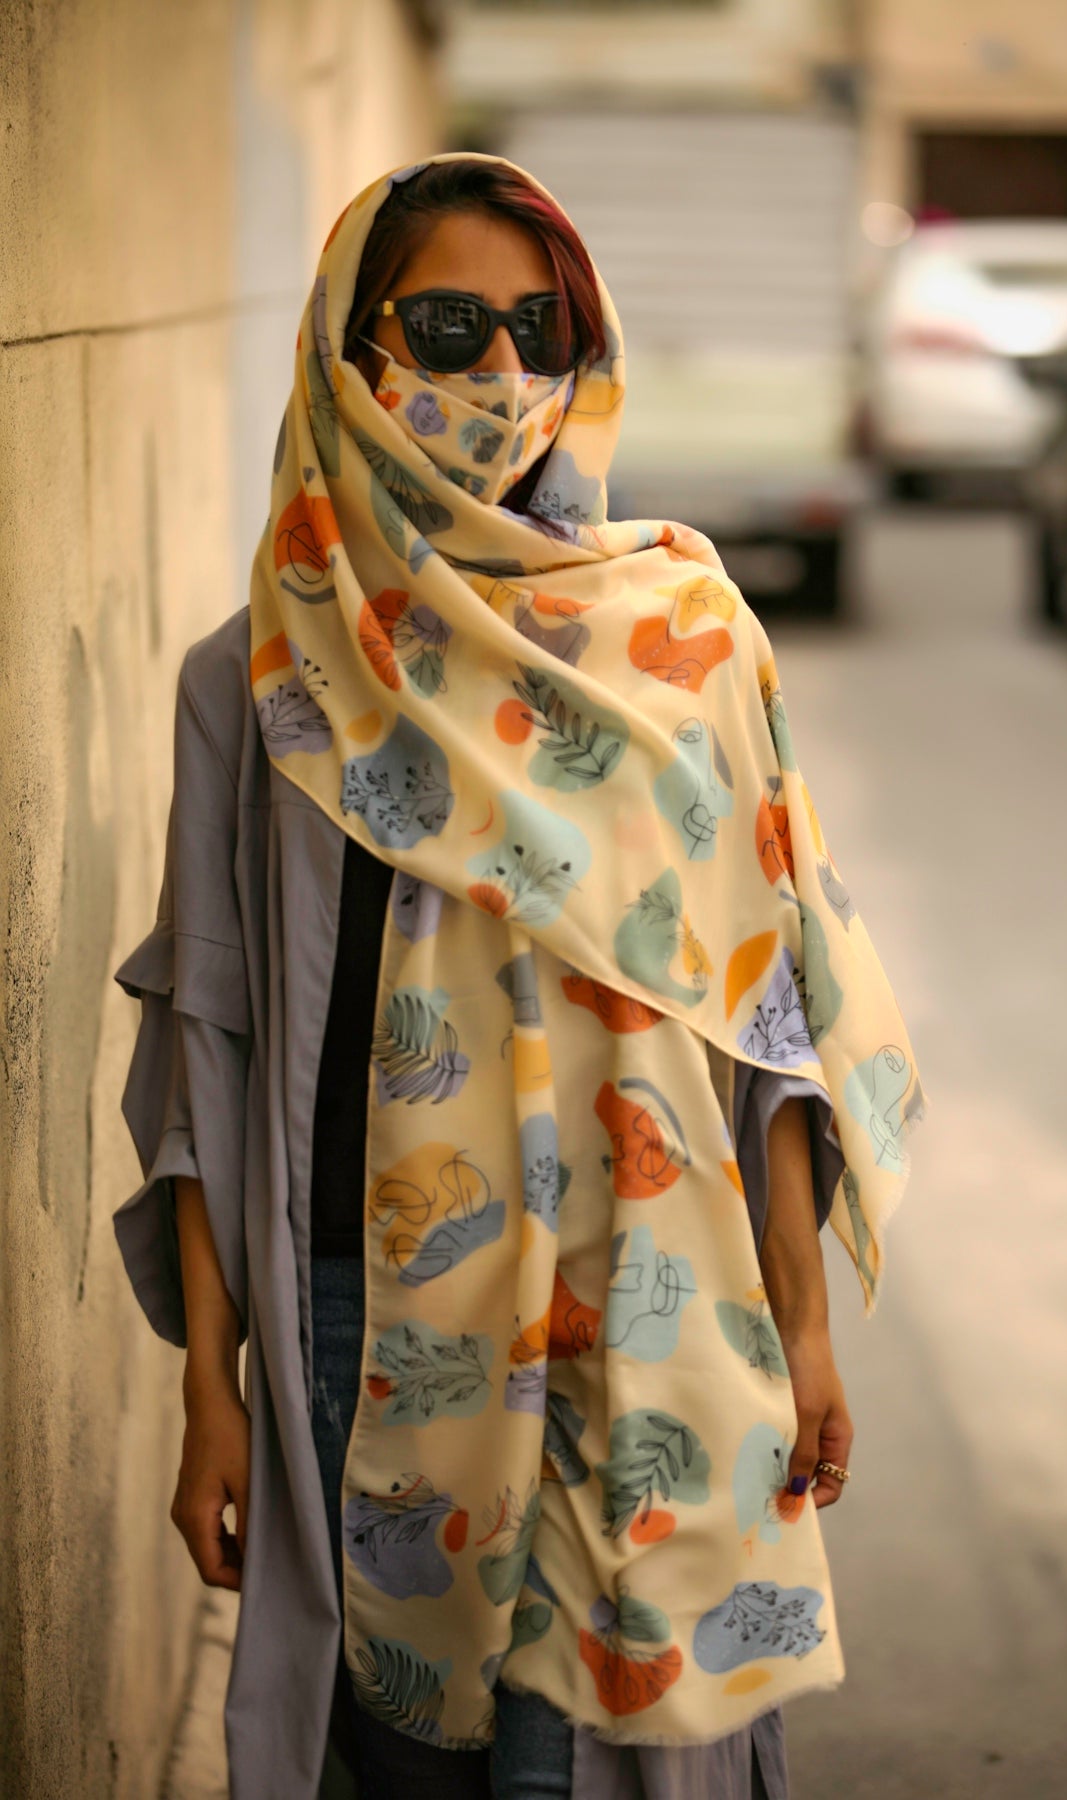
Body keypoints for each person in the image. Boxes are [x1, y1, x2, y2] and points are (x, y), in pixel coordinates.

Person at [112, 152, 926, 1800]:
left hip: (653, 1300)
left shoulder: (680, 639)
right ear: (354, 351)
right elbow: (217, 1040)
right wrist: (214, 1389)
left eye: (536, 327)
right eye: (449, 325)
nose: (498, 373)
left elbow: (763, 1017)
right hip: (369, 1319)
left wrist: (806, 1323)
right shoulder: (263, 675)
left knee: (610, 1754)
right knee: (418, 1764)